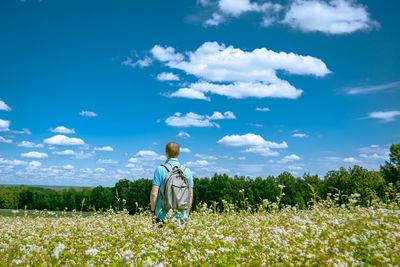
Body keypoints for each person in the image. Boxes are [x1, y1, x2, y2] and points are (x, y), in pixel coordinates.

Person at [150, 141, 194, 225]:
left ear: (165, 152)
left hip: (162, 216)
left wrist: (153, 211)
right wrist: (187, 212)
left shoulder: (159, 169)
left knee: (160, 238)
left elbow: (154, 194)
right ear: (179, 152)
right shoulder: (187, 171)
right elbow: (190, 194)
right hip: (181, 216)